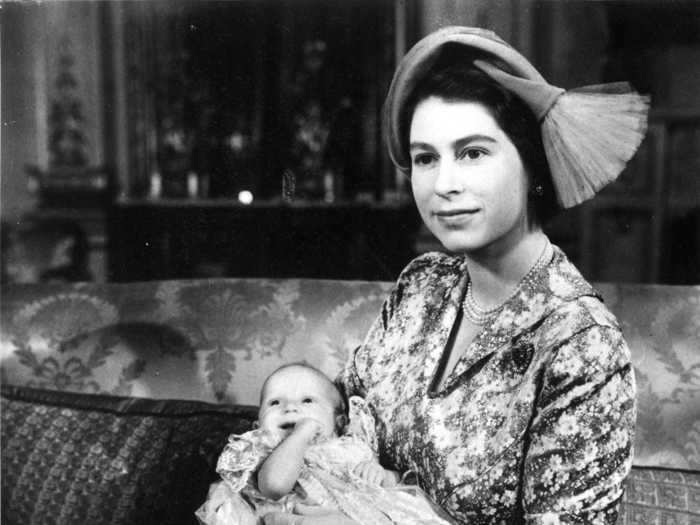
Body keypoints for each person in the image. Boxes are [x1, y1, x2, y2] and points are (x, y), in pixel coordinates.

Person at [271, 26, 648, 524]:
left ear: (531, 165)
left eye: (473, 152)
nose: (444, 184)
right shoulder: (420, 286)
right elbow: (336, 416)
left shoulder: (582, 345)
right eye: (426, 158)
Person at [196, 363, 454, 525]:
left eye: (307, 401)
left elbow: (400, 489)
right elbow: (274, 486)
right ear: (257, 425)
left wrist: (383, 475)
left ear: (339, 422)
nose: (290, 407)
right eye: (275, 403)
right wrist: (302, 433)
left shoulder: (352, 446)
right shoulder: (262, 450)